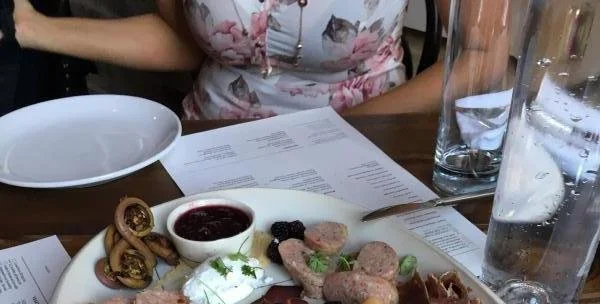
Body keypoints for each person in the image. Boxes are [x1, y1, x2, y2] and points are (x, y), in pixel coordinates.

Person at [11, 0, 510, 120]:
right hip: (213, 137)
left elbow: (484, 57)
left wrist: (346, 130)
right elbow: (181, 40)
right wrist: (33, 26)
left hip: (372, 136)